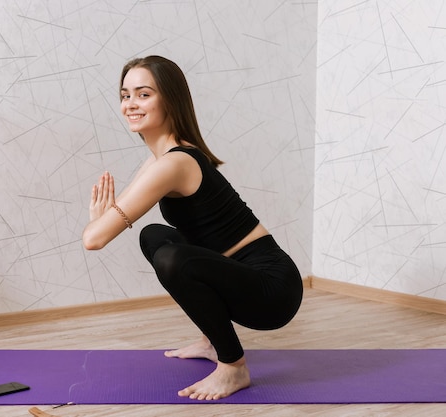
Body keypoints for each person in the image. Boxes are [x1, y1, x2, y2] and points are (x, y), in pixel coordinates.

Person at [82, 55, 303, 401]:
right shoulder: (161, 159)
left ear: (170, 99)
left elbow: (95, 238)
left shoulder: (173, 163)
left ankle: (234, 366)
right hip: (238, 273)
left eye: (143, 94)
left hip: (272, 289)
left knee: (173, 258)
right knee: (154, 235)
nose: (130, 105)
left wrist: (98, 220)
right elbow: (113, 219)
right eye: (125, 95)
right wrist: (102, 219)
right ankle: (213, 341)